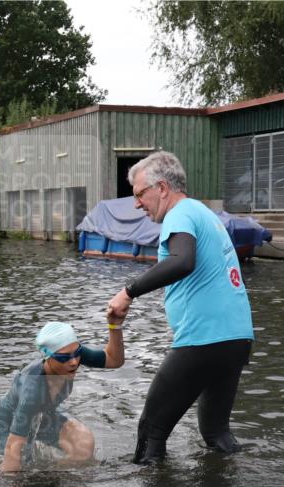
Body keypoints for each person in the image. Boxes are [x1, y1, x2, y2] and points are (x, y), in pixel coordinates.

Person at [107, 151, 254, 464]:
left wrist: (128, 292)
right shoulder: (204, 214)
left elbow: (182, 261)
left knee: (151, 431)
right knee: (216, 434)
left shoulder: (179, 213)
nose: (136, 204)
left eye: (138, 194)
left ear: (161, 188)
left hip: (203, 340)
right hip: (236, 339)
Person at [0, 320, 125, 473]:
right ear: (47, 356)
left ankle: (52, 478)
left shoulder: (70, 354)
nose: (74, 362)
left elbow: (114, 360)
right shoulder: (32, 391)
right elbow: (13, 446)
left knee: (83, 444)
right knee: (21, 466)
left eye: (78, 354)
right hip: (12, 418)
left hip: (45, 413)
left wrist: (115, 326)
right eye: (64, 358)